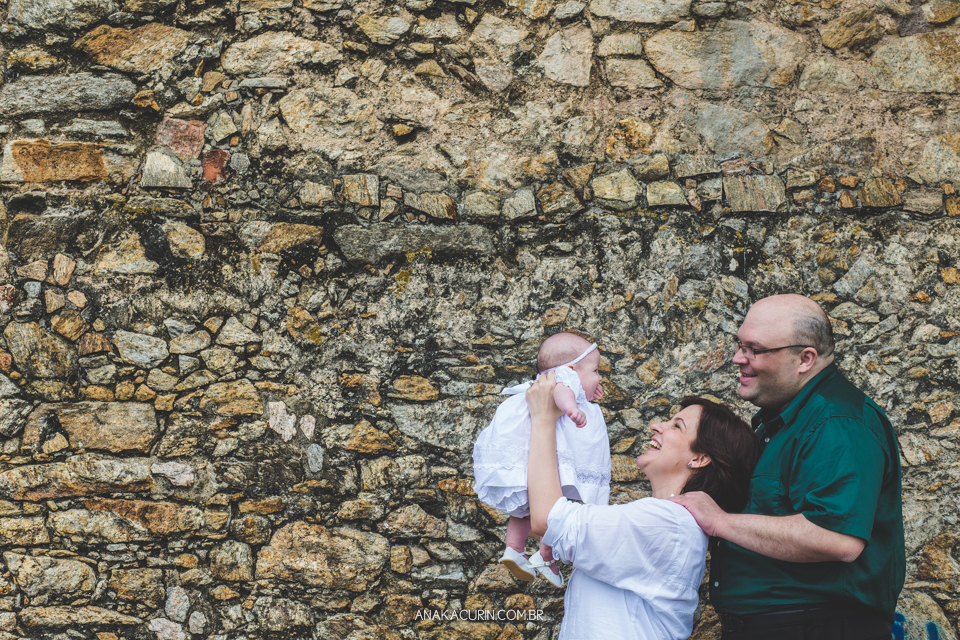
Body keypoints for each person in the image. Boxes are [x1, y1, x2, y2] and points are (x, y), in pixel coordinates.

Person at [671, 294, 905, 640]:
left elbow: (837, 537)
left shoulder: (836, 421)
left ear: (805, 359)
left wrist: (720, 521)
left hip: (817, 627)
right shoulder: (781, 421)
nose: (738, 358)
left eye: (755, 349)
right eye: (740, 345)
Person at [526, 377, 760, 640]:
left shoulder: (669, 522)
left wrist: (543, 417)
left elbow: (547, 520)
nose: (656, 426)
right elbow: (551, 526)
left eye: (677, 426)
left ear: (699, 458)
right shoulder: (664, 520)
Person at [472, 332, 610, 587]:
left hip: (532, 459)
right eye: (596, 371)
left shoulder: (550, 382)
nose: (600, 376)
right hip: (553, 460)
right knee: (561, 506)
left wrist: (589, 388)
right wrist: (572, 409)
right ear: (571, 369)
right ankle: (546, 554)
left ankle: (514, 548)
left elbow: (573, 387)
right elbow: (562, 392)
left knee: (524, 509)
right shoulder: (561, 382)